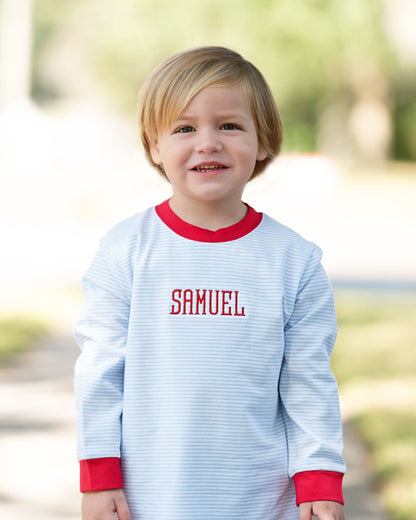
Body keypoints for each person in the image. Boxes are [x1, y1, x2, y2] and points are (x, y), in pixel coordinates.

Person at [74, 46, 346, 520]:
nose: (208, 142)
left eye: (229, 125)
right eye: (184, 128)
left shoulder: (295, 262)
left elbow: (309, 384)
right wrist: (99, 479)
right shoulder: (125, 252)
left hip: (263, 501)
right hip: (149, 498)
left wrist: (320, 482)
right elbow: (100, 375)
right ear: (154, 146)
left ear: (263, 141)